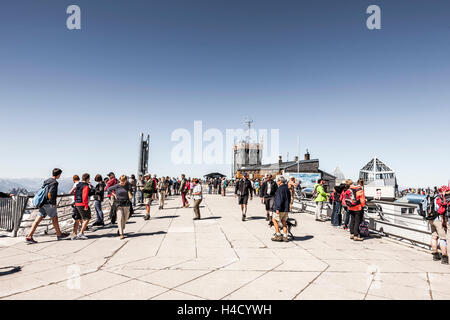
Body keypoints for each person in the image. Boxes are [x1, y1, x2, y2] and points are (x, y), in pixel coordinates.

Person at [25, 168, 69, 244]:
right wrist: (53, 203)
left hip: (43, 202)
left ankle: (29, 236)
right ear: (58, 174)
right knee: (55, 218)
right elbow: (51, 194)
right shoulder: (54, 182)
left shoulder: (47, 181)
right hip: (49, 203)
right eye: (60, 175)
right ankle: (59, 235)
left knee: (37, 220)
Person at [108, 175, 132, 239]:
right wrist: (114, 194)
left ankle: (120, 228)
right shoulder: (117, 186)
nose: (122, 182)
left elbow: (131, 190)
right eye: (121, 181)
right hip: (118, 203)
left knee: (126, 218)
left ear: (126, 180)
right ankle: (121, 233)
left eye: (123, 181)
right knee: (120, 218)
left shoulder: (128, 185)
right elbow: (108, 189)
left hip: (126, 203)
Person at [431, 186, 449, 264]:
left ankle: (435, 255)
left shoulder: (433, 196)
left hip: (430, 218)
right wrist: (443, 221)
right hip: (438, 219)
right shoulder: (442, 198)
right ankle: (444, 257)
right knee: (443, 238)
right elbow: (442, 211)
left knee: (434, 236)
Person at [72, 173, 93, 240]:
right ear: (87, 178)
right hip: (82, 204)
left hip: (76, 203)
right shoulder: (86, 186)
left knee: (78, 219)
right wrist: (86, 205)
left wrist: (75, 201)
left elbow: (75, 193)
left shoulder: (78, 184)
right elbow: (85, 196)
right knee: (87, 218)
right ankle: (81, 233)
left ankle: (74, 234)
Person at [271, 176, 291, 242]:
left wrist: (277, 208)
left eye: (277, 181)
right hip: (286, 208)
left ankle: (278, 235)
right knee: (284, 222)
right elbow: (289, 199)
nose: (277, 182)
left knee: (274, 220)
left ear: (280, 181)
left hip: (280, 208)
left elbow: (279, 199)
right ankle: (285, 236)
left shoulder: (280, 189)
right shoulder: (287, 188)